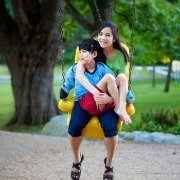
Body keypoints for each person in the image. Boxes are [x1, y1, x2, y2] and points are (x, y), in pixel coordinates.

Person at [76, 20, 132, 179]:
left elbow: (122, 81)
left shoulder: (120, 55)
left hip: (113, 94)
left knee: (121, 76)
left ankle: (120, 107)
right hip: (97, 90)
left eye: (108, 35)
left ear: (114, 38)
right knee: (109, 77)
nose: (103, 38)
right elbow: (82, 69)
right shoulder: (95, 51)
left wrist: (110, 98)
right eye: (100, 34)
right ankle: (118, 105)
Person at [59, 38, 120, 179]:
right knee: (74, 128)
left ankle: (109, 165)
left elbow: (114, 84)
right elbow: (68, 82)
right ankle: (76, 160)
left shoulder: (103, 69)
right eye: (80, 52)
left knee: (111, 129)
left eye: (85, 52)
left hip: (103, 103)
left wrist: (127, 95)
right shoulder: (75, 68)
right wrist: (64, 90)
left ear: (94, 54)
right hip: (83, 103)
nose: (81, 55)